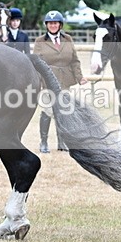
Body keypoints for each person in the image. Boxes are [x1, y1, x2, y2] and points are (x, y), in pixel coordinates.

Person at [33, 10, 88, 153]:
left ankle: (62, 141)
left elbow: (74, 60)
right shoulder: (40, 41)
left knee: (63, 111)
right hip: (47, 81)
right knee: (48, 110)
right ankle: (44, 142)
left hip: (64, 80)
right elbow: (36, 62)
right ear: (46, 25)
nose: (53, 25)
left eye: (55, 23)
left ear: (60, 25)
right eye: (50, 23)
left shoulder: (68, 39)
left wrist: (79, 77)